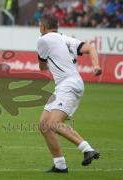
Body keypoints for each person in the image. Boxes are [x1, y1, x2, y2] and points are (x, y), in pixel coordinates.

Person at [37, 14, 102, 173]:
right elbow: (91, 47)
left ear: (43, 27)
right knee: (44, 125)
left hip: (68, 84)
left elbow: (42, 67)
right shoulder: (67, 39)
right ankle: (60, 165)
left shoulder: (43, 40)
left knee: (53, 123)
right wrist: (96, 66)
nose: (39, 28)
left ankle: (87, 149)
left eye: (40, 25)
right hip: (67, 84)